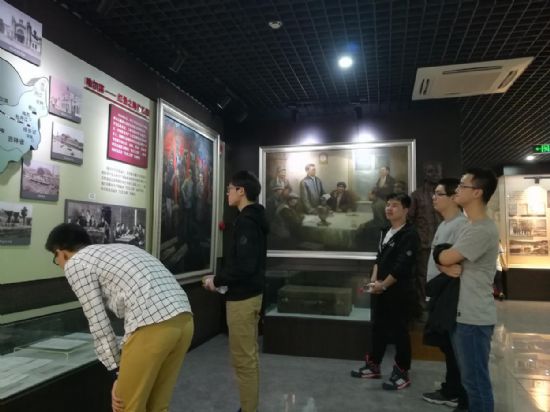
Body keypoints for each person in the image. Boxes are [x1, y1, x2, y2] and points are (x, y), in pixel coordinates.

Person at [44, 223, 194, 412]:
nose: (58, 264)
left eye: (55, 257)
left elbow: (97, 320)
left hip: (153, 325)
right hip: (185, 320)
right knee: (158, 406)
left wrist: (117, 370)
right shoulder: (119, 249)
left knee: (126, 406)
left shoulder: (76, 263)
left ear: (61, 252)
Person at [434, 168, 499, 412]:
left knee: (475, 382)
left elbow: (446, 256)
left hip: (474, 317)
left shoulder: (481, 229)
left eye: (463, 186)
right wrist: (443, 261)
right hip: (463, 313)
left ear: (477, 192)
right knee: (469, 380)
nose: (457, 190)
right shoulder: (468, 225)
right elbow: (443, 259)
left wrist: (442, 258)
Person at [203, 170, 268, 412]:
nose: (227, 193)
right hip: (249, 295)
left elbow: (244, 265)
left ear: (241, 191)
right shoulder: (252, 219)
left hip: (243, 299)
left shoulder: (247, 222)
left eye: (230, 189)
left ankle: (248, 409)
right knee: (247, 357)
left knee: (243, 360)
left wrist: (217, 280)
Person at [351, 193, 419, 391]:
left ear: (406, 209)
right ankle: (373, 365)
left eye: (395, 205)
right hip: (380, 288)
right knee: (378, 328)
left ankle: (402, 372)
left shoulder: (410, 234)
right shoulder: (385, 231)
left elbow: (402, 266)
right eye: (388, 204)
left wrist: (383, 285)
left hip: (398, 290)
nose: (389, 208)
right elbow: (378, 259)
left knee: (399, 332)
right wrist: (374, 282)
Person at [421, 178, 468, 410]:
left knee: (454, 347)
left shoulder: (461, 225)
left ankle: (456, 392)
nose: (434, 197)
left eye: (439, 194)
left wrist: (443, 267)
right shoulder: (444, 224)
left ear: (453, 198)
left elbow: (457, 264)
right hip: (439, 291)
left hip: (450, 293)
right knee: (447, 345)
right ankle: (451, 388)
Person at [408, 161, 443, 303]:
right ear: (425, 174)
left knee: (442, 275)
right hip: (424, 244)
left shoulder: (446, 194)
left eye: (437, 171)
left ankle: (438, 305)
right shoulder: (416, 195)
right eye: (430, 171)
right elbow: (409, 219)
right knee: (423, 276)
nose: (434, 175)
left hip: (444, 243)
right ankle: (423, 307)